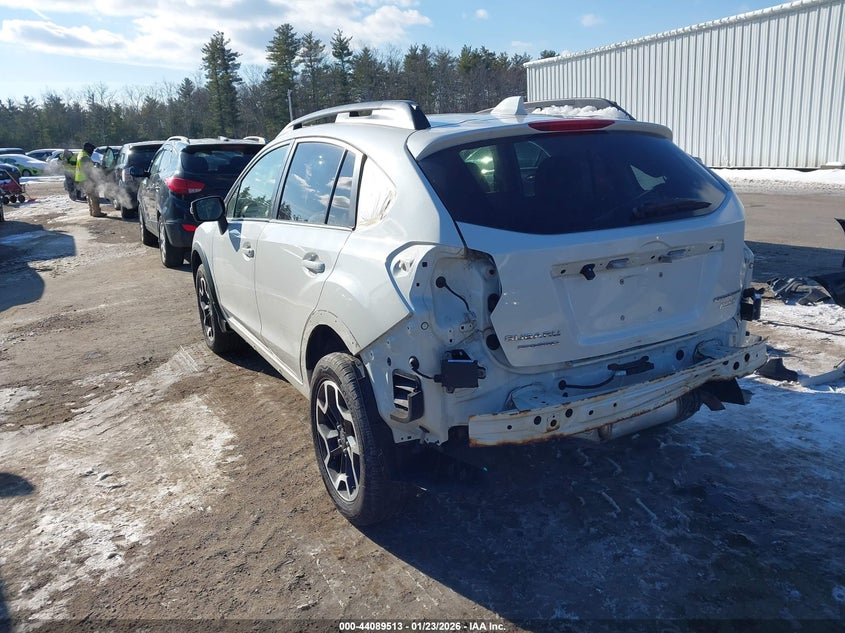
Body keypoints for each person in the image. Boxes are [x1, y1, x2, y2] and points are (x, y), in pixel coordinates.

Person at [75, 142, 105, 217]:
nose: (92, 152)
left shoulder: (81, 154)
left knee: (89, 196)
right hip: (87, 179)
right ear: (88, 149)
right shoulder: (84, 157)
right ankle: (96, 212)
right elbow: (88, 169)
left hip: (83, 179)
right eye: (92, 150)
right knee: (94, 196)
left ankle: (92, 211)